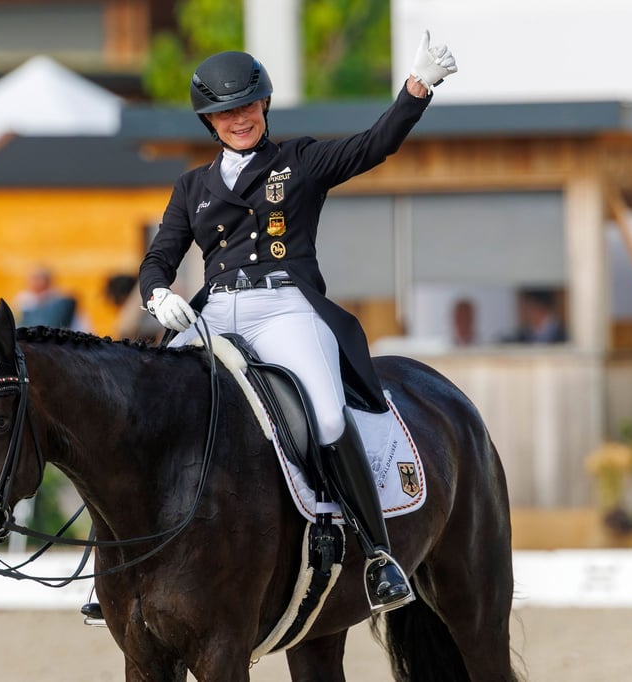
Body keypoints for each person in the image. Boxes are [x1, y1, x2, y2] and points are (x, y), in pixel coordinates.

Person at [136, 32, 457, 615]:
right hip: (215, 311)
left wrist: (416, 89)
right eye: (226, 113)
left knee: (328, 416)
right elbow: (161, 255)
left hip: (284, 306)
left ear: (264, 105)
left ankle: (376, 552)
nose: (239, 119)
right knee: (148, 408)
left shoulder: (299, 161)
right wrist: (157, 294)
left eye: (248, 107)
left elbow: (374, 145)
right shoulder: (192, 187)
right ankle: (123, 567)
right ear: (209, 121)